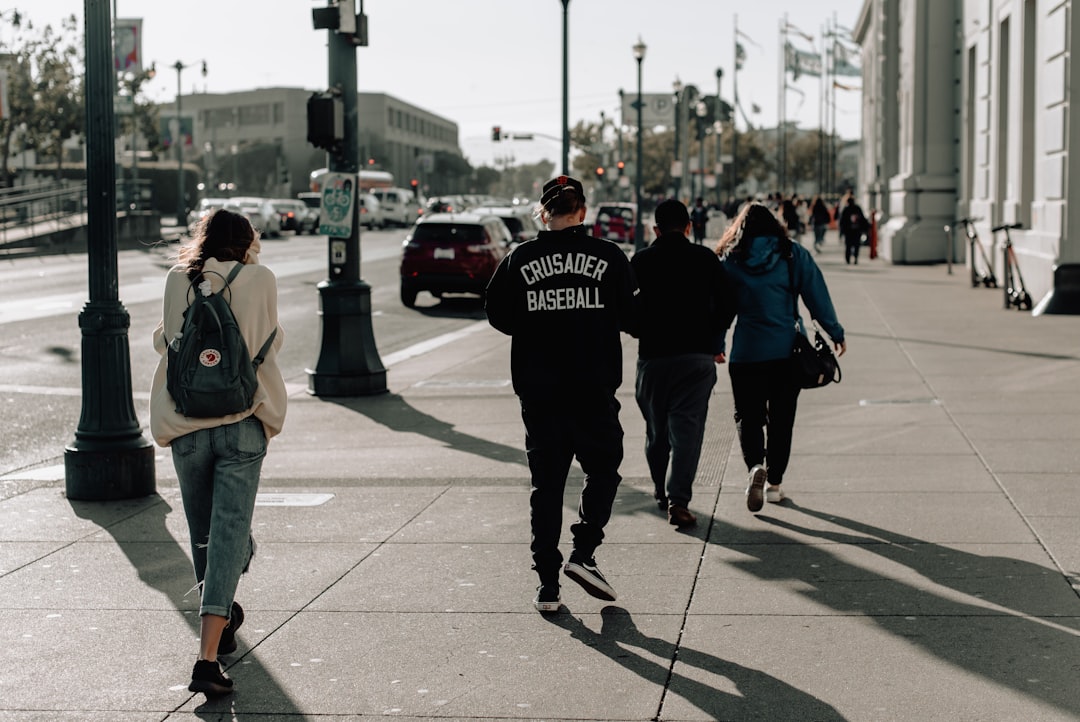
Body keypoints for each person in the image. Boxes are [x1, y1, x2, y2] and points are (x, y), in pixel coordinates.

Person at [485, 175, 639, 613]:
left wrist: (534, 326)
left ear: (543, 213)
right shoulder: (608, 257)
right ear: (583, 212)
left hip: (541, 392)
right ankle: (584, 551)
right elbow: (631, 315)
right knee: (604, 470)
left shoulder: (521, 259)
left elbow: (496, 311)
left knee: (547, 487)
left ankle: (548, 586)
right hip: (592, 388)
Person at [150, 209, 287, 695]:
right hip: (242, 423)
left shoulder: (175, 280)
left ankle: (220, 615)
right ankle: (206, 658)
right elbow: (270, 342)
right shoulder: (260, 278)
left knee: (205, 533)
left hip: (186, 424)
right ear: (248, 241)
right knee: (229, 535)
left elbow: (163, 341)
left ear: (202, 238)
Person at [714, 202, 845, 512]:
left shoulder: (731, 259)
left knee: (748, 416)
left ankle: (753, 468)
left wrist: (717, 342)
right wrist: (835, 332)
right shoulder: (792, 254)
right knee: (782, 418)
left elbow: (721, 308)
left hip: (746, 353)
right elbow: (816, 295)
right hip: (786, 352)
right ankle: (773, 484)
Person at [631, 199, 728, 528]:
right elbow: (729, 303)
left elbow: (623, 308)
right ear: (689, 226)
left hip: (654, 358)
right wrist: (714, 338)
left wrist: (641, 328)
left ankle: (660, 488)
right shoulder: (705, 259)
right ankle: (679, 500)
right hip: (696, 359)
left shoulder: (641, 261)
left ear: (655, 229)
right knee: (687, 431)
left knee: (656, 432)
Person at [838, 194, 869, 265]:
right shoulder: (857, 208)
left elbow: (842, 221)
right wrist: (865, 228)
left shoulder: (846, 209)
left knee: (848, 245)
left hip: (849, 231)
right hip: (856, 230)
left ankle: (848, 259)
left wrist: (842, 231)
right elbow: (862, 219)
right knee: (856, 245)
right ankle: (855, 257)